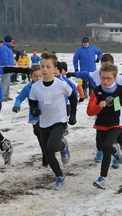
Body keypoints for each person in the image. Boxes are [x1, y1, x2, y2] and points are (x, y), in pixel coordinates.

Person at [69, 53, 122, 167]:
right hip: (102, 104)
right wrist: (73, 73)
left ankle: (117, 151)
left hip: (116, 103)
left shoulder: (118, 77)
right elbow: (84, 74)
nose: (104, 70)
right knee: (100, 129)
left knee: (116, 126)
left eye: (108, 65)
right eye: (103, 66)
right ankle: (100, 150)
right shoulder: (95, 74)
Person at [29, 52, 75, 190]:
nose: (44, 69)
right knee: (48, 154)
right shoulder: (35, 87)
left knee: (52, 146)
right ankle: (59, 176)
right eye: (42, 66)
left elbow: (73, 96)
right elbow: (32, 102)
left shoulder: (61, 84)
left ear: (55, 69)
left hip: (59, 121)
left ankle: (62, 145)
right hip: (44, 123)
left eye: (48, 66)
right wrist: (34, 110)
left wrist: (73, 114)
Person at [87, 62, 122, 190]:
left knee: (106, 146)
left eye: (109, 78)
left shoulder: (121, 90)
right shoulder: (97, 91)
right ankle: (116, 153)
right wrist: (100, 106)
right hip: (101, 123)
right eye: (103, 78)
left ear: (115, 78)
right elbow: (89, 111)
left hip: (116, 122)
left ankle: (102, 178)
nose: (105, 81)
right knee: (105, 147)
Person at [12, 65, 46, 166]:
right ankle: (45, 153)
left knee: (47, 137)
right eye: (36, 76)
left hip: (47, 115)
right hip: (35, 116)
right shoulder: (28, 88)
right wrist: (16, 105)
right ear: (31, 76)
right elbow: (19, 98)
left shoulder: (47, 85)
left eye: (40, 76)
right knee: (39, 134)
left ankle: (47, 157)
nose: (38, 78)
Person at [0, 35, 15, 102]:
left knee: (8, 82)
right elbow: (4, 58)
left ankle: (6, 95)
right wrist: (7, 66)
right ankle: (2, 96)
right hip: (6, 68)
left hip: (10, 67)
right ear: (9, 41)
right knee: (4, 82)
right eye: (11, 41)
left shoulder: (8, 48)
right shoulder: (4, 48)